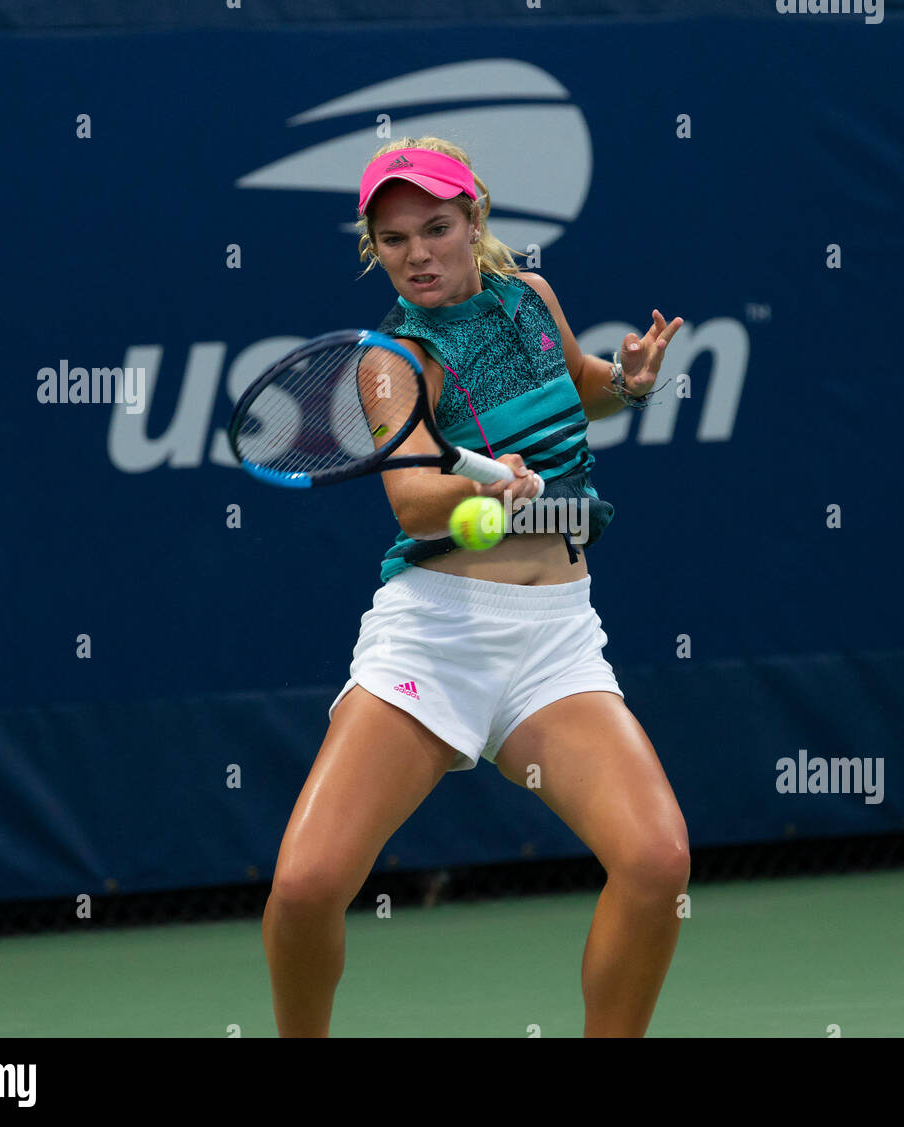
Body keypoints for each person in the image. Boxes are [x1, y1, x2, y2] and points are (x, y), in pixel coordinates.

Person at [261, 136, 689, 1037]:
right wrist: (483, 490)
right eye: (394, 238)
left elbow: (578, 385)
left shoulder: (530, 299)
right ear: (373, 247)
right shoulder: (393, 359)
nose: (418, 253)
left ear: (475, 219)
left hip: (555, 638)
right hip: (435, 638)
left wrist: (629, 382)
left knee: (655, 862)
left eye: (437, 228)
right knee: (305, 888)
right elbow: (416, 502)